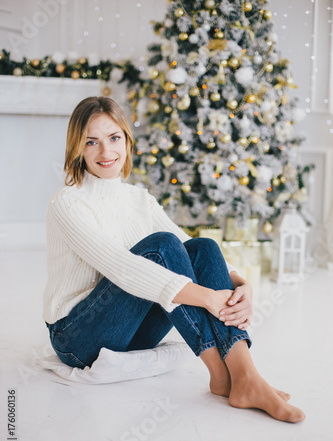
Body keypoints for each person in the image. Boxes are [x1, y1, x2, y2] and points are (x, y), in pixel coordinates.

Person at [43, 96, 305, 423]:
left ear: (126, 139)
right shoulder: (67, 202)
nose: (106, 152)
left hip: (129, 332)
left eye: (114, 138)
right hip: (77, 337)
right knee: (160, 248)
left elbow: (187, 245)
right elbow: (123, 269)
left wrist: (242, 285)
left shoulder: (139, 199)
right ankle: (220, 371)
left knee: (203, 247)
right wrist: (209, 298)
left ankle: (242, 375)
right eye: (91, 142)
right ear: (77, 148)